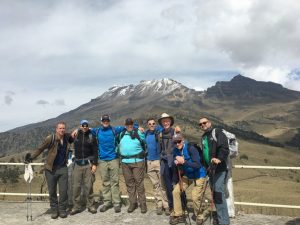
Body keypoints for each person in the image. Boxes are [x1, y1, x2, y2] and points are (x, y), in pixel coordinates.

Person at [24, 121, 73, 219]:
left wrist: (79, 129)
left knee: (63, 191)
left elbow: (75, 135)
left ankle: (62, 210)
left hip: (63, 168)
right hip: (50, 170)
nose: (62, 130)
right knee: (52, 191)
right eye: (60, 128)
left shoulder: (67, 137)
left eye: (63, 128)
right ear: (56, 129)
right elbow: (40, 149)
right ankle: (54, 210)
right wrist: (31, 158)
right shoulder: (51, 138)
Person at [90, 114, 125, 213]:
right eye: (104, 120)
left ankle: (116, 203)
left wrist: (137, 126)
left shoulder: (115, 130)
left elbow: (128, 126)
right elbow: (86, 128)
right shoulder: (97, 131)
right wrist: (77, 130)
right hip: (102, 160)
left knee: (115, 182)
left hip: (113, 159)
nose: (106, 122)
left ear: (109, 121)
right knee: (105, 182)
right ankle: (107, 202)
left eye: (107, 120)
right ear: (101, 122)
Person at [170, 133, 207, 225]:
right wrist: (175, 161)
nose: (177, 144)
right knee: (175, 191)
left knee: (195, 196)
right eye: (175, 142)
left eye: (178, 141)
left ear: (182, 140)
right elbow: (175, 157)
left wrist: (183, 162)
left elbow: (197, 165)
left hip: (199, 174)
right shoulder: (175, 150)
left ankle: (199, 216)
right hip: (188, 175)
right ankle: (178, 214)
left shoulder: (191, 148)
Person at [199, 117, 230, 225]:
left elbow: (224, 148)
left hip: (219, 169)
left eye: (204, 123)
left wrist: (219, 159)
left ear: (209, 123)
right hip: (211, 170)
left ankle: (224, 222)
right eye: (200, 124)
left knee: (218, 194)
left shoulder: (217, 132)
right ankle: (220, 217)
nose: (203, 125)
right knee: (215, 194)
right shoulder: (203, 137)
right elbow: (204, 154)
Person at [118, 118, 147, 214]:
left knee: (139, 183)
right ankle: (133, 203)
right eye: (127, 124)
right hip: (125, 162)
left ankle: (143, 204)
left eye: (131, 124)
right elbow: (117, 145)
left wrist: (140, 129)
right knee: (129, 183)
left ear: (133, 124)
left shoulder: (138, 133)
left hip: (137, 161)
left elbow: (145, 141)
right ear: (125, 125)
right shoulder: (121, 134)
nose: (129, 125)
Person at [70, 120, 98, 215]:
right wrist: (74, 131)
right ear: (80, 126)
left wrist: (95, 164)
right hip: (77, 164)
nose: (85, 127)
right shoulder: (76, 134)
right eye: (83, 125)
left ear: (88, 126)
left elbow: (95, 151)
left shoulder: (91, 136)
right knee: (76, 187)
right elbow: (68, 139)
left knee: (89, 186)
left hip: (88, 164)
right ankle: (76, 206)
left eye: (86, 125)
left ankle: (90, 205)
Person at [145, 118, 169, 215]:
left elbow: (164, 127)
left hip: (159, 161)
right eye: (150, 124)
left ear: (155, 124)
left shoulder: (159, 132)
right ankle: (159, 205)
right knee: (155, 185)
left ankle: (166, 205)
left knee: (163, 184)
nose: (151, 125)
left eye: (153, 123)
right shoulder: (145, 134)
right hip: (149, 162)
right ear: (147, 125)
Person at [158, 113, 176, 214]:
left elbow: (180, 146)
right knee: (168, 186)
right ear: (161, 123)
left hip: (174, 163)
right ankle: (171, 206)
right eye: (163, 121)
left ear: (170, 122)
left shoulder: (176, 132)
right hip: (165, 163)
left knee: (176, 186)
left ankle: (181, 205)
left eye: (167, 121)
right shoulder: (160, 134)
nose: (165, 123)